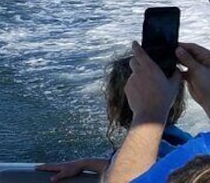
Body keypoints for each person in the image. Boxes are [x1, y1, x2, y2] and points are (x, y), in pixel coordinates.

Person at [37, 55, 190, 182]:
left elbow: (133, 173)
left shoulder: (157, 148)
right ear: (176, 102)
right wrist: (86, 163)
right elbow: (139, 166)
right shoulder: (188, 143)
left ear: (113, 106)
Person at [103, 42, 210, 183]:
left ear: (113, 105)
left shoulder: (200, 151)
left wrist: (148, 116)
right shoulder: (202, 147)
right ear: (178, 102)